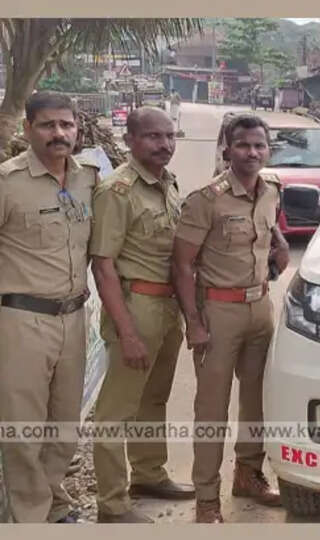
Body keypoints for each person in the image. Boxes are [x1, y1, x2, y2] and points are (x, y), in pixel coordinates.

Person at [172, 113, 290, 523]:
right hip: (217, 312)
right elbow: (182, 264)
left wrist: (280, 249)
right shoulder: (207, 199)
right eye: (243, 145)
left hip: (260, 308)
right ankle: (207, 497)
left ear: (268, 149)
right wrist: (194, 322)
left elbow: (269, 231)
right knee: (212, 408)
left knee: (257, 401)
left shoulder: (272, 189)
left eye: (259, 145)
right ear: (227, 149)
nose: (252, 152)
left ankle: (248, 474)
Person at [88, 106, 195, 523]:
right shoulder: (117, 190)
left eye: (169, 136)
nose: (164, 144)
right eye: (153, 137)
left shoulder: (167, 184)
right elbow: (104, 266)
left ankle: (149, 474)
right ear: (130, 140)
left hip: (166, 310)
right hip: (135, 307)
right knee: (115, 411)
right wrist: (127, 332)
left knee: (154, 398)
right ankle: (112, 505)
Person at [0, 91, 101, 523]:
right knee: (23, 428)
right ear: (28, 130)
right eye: (47, 125)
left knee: (64, 424)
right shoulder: (7, 183)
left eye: (66, 125)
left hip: (75, 318)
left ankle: (55, 503)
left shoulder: (90, 179)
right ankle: (29, 517)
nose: (58, 133)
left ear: (78, 129)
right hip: (21, 320)